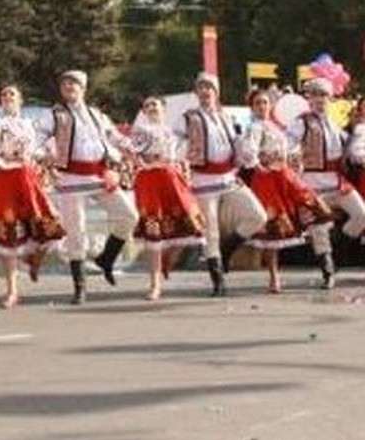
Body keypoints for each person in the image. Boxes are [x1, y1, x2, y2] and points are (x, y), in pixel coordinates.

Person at [44, 69, 137, 305]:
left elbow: (114, 136)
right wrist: (42, 152)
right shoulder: (55, 115)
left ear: (83, 88)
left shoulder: (96, 114)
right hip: (71, 178)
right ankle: (80, 286)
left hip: (98, 174)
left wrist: (132, 147)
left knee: (128, 215)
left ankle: (106, 257)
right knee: (76, 232)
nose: (69, 87)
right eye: (65, 84)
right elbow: (38, 135)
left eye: (74, 84)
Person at [176, 72, 268, 296]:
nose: (206, 92)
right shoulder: (188, 117)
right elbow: (173, 139)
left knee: (258, 216)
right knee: (211, 231)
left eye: (210, 88)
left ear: (216, 93)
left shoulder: (226, 117)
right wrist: (175, 160)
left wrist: (248, 151)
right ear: (196, 92)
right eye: (202, 88)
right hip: (204, 180)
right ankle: (217, 278)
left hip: (228, 177)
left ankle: (228, 248)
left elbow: (238, 145)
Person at [238, 87, 332, 295]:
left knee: (310, 201)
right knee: (273, 228)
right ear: (252, 108)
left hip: (284, 174)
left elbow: (289, 149)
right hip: (267, 180)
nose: (262, 107)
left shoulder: (276, 127)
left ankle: (318, 236)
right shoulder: (253, 127)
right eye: (258, 104)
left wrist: (294, 162)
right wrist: (258, 165)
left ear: (270, 106)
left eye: (265, 103)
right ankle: (274, 276)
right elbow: (248, 151)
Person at [0, 84, 65, 308]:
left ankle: (34, 257)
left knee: (47, 223)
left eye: (12, 94)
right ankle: (12, 290)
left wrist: (49, 156)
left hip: (26, 177)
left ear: (21, 100)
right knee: (8, 233)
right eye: (4, 94)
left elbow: (42, 147)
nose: (8, 97)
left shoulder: (30, 124)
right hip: (4, 179)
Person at [288, 76, 365, 289]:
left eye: (324, 95)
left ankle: (337, 250)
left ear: (330, 98)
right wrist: (292, 155)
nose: (320, 99)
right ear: (308, 98)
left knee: (362, 215)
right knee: (319, 229)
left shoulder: (333, 123)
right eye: (315, 95)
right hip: (312, 182)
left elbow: (350, 149)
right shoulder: (301, 121)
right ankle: (327, 271)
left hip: (336, 181)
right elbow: (289, 143)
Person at [127, 97, 204, 302]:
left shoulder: (173, 132)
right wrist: (143, 162)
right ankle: (155, 284)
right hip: (149, 180)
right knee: (153, 230)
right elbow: (132, 152)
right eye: (147, 105)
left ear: (163, 109)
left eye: (155, 105)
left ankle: (170, 257)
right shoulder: (140, 130)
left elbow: (183, 155)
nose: (152, 108)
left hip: (171, 178)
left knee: (190, 223)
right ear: (144, 111)